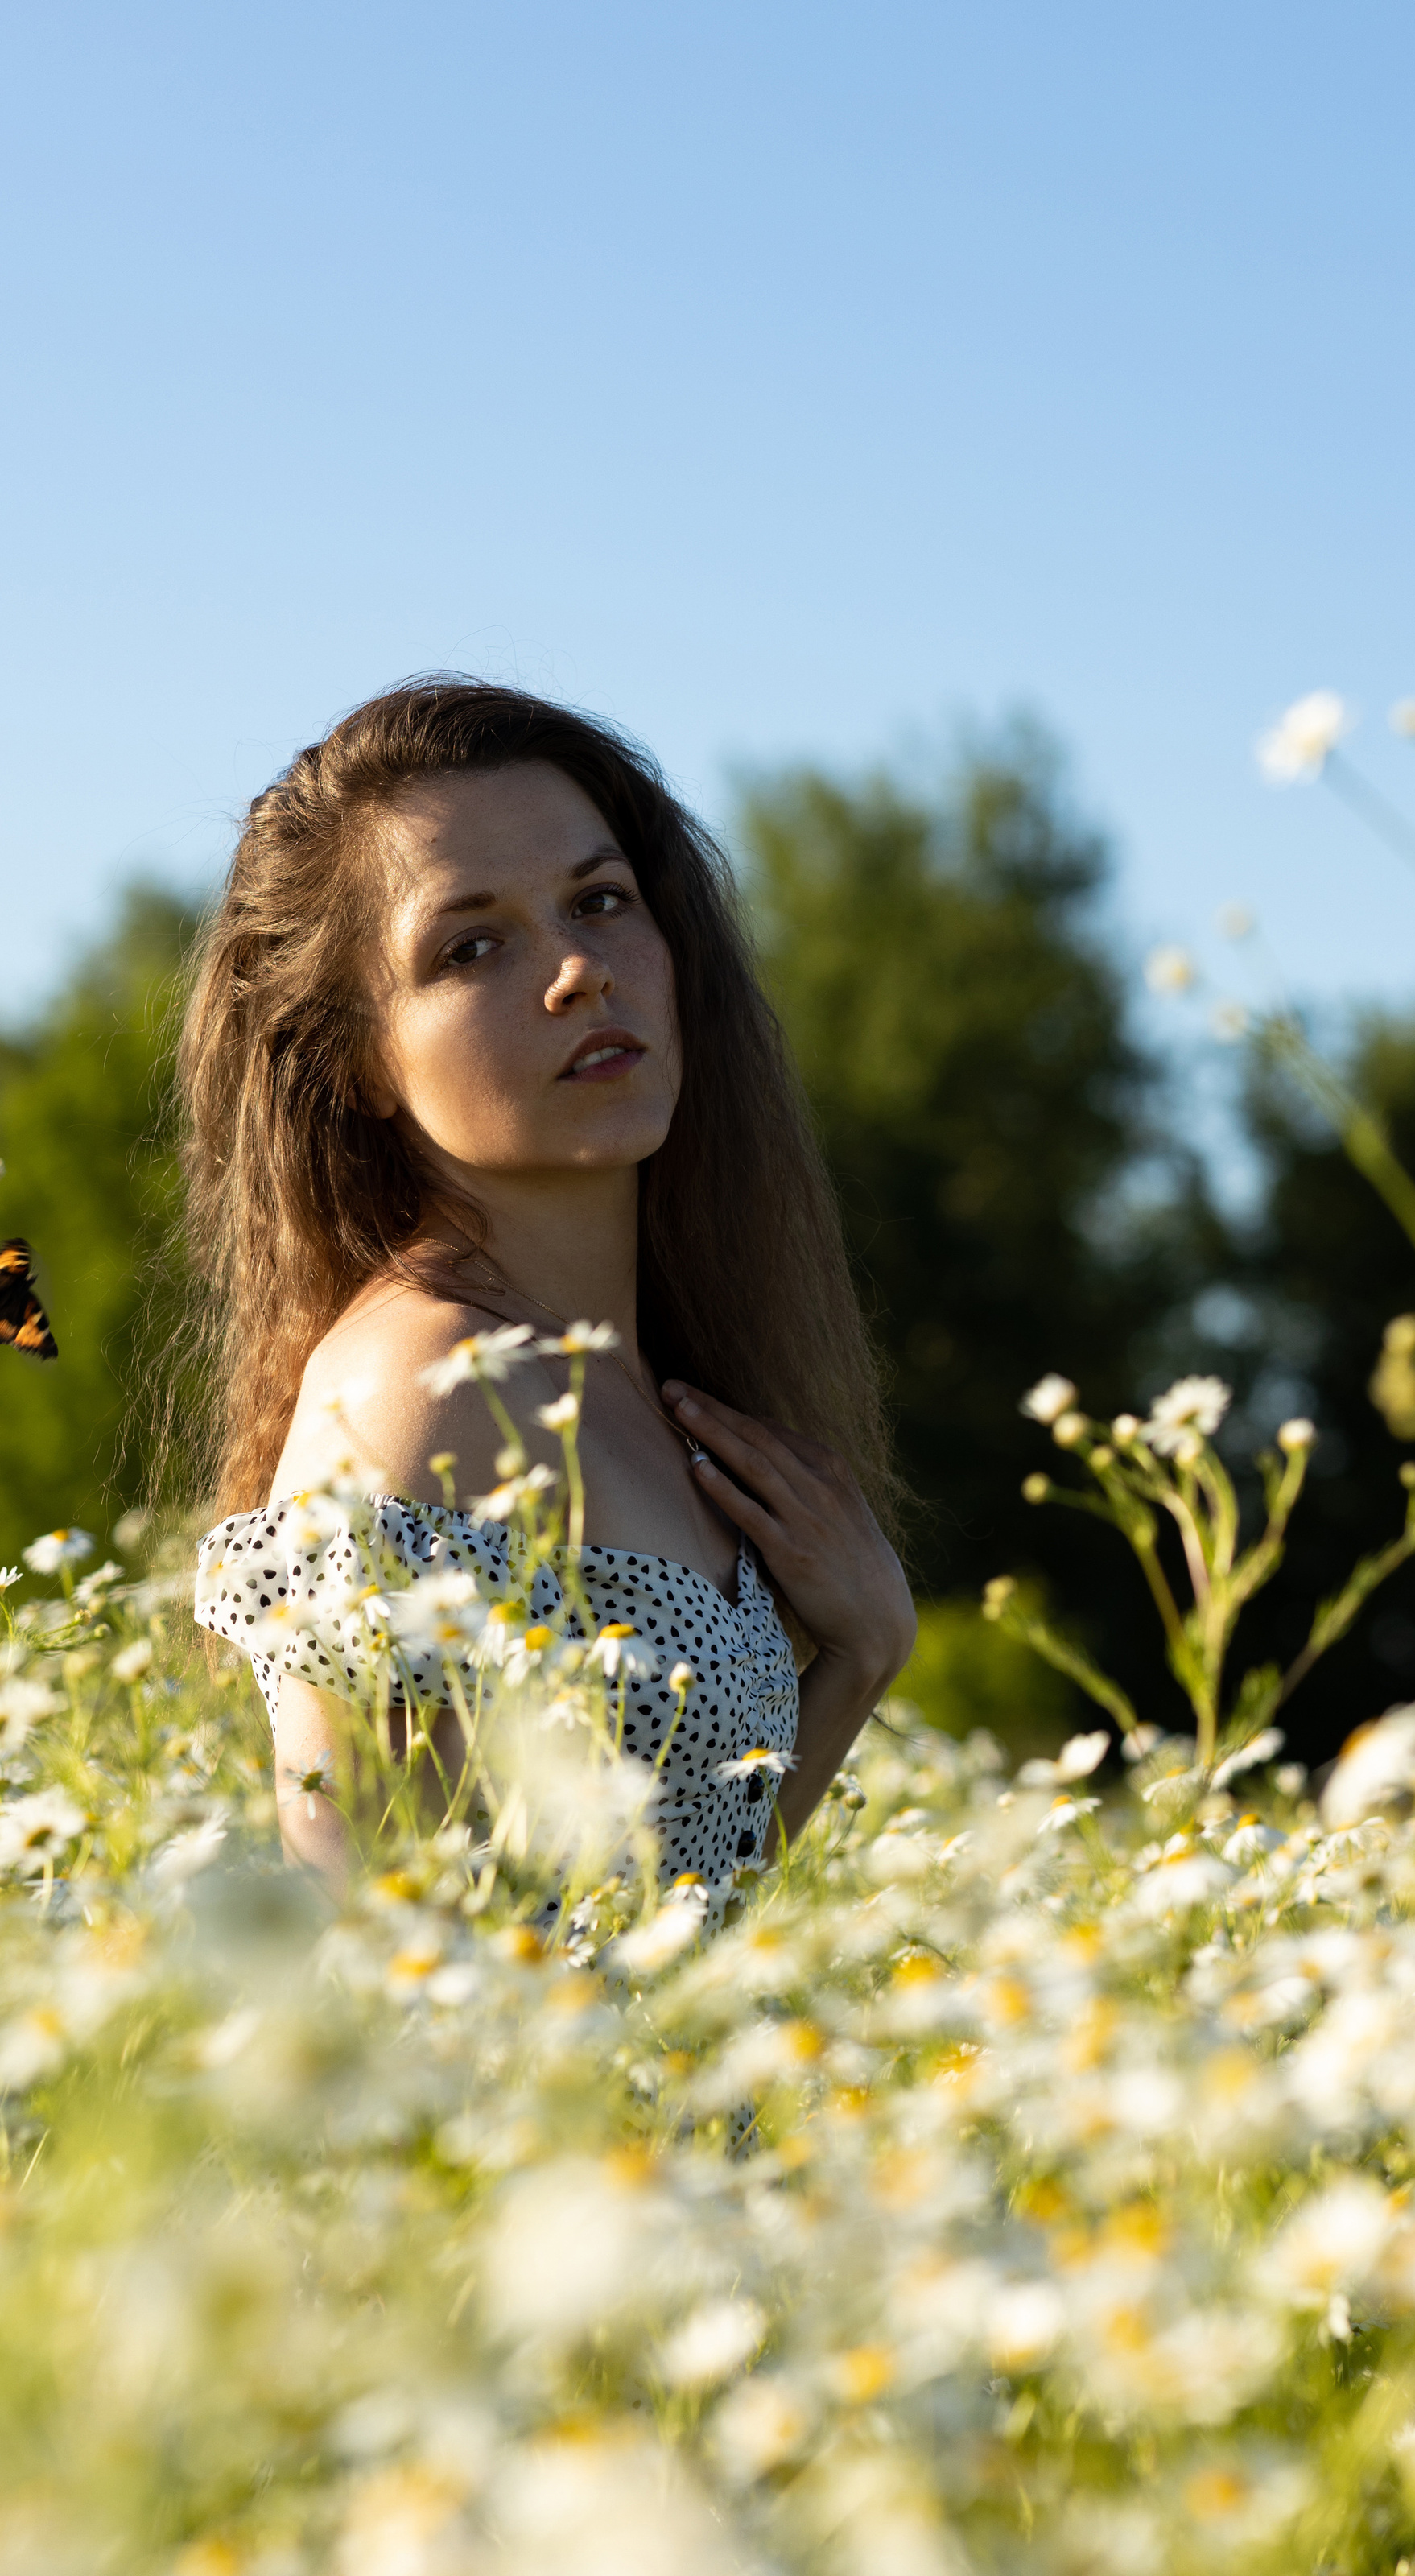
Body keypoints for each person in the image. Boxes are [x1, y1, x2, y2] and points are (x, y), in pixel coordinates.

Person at [182, 679, 914, 1896]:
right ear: (357, 1059)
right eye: (472, 946)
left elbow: (665, 1915)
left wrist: (858, 1661)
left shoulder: (634, 1380)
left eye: (602, 900)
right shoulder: (419, 1391)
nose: (580, 969)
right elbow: (373, 1947)